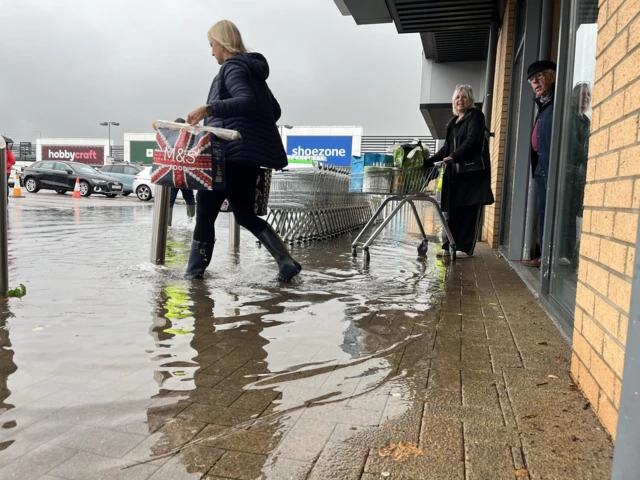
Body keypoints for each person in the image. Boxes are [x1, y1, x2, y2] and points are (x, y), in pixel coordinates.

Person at [185, 20, 300, 281]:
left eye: (212, 45)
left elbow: (246, 102)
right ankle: (286, 263)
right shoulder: (253, 71)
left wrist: (209, 109)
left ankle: (194, 275)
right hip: (247, 157)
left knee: (205, 212)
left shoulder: (232, 67)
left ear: (222, 44)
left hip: (228, 154)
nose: (211, 51)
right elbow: (274, 111)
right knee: (245, 214)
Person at [425, 85, 494, 258]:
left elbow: (472, 140)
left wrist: (454, 156)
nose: (460, 100)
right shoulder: (452, 123)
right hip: (455, 174)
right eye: (457, 97)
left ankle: (464, 247)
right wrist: (428, 161)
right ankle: (450, 244)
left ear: (470, 100)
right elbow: (445, 149)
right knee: (453, 211)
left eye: (464, 97)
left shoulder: (475, 116)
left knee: (468, 211)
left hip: (471, 173)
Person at [522, 60, 557, 268]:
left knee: (553, 212)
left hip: (553, 167)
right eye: (531, 80)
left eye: (539, 76)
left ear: (552, 76)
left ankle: (553, 257)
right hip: (541, 168)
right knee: (544, 211)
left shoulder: (558, 103)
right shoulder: (543, 105)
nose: (535, 82)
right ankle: (545, 255)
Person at [559, 82, 591, 267]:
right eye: (582, 94)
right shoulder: (570, 117)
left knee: (575, 214)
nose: (585, 98)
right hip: (568, 172)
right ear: (574, 97)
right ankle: (564, 253)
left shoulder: (585, 120)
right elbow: (573, 146)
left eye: (588, 95)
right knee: (567, 213)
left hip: (579, 174)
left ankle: (570, 254)